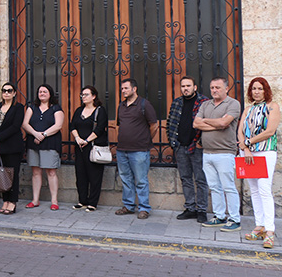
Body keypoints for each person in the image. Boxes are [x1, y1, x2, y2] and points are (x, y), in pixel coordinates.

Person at [194, 77, 241, 232]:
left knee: (228, 187)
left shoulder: (233, 104)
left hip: (225, 153)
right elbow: (196, 123)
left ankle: (234, 219)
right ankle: (219, 216)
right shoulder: (205, 104)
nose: (214, 90)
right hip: (207, 153)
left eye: (218, 87)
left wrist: (206, 121)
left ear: (226, 89)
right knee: (214, 187)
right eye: (212, 87)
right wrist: (216, 123)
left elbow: (224, 123)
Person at [238, 77, 280, 249]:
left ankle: (270, 230)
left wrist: (249, 142)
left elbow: (270, 131)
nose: (256, 91)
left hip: (265, 151)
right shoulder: (248, 109)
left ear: (266, 90)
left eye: (260, 88)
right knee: (253, 190)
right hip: (248, 153)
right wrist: (246, 148)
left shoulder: (273, 107)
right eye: (253, 88)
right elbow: (240, 131)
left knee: (264, 189)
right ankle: (259, 225)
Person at [167, 76, 210, 222]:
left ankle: (202, 210)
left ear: (195, 87)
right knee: (185, 178)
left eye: (188, 86)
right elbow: (170, 123)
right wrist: (173, 142)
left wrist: (201, 141)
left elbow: (207, 124)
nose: (186, 88)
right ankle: (190, 208)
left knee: (201, 179)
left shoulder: (204, 102)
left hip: (197, 146)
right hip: (180, 146)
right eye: (183, 86)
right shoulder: (177, 103)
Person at [114, 78, 158, 219]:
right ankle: (128, 206)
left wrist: (144, 140)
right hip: (122, 150)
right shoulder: (121, 106)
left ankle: (144, 208)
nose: (124, 91)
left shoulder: (144, 104)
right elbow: (119, 126)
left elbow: (154, 125)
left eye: (126, 88)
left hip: (139, 150)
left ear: (134, 89)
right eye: (122, 88)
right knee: (126, 179)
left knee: (141, 180)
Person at [22, 84, 64, 210]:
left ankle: (54, 201)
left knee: (51, 172)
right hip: (33, 143)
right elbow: (25, 123)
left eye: (45, 91)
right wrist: (35, 134)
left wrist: (43, 135)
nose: (42, 94)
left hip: (50, 143)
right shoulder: (32, 107)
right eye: (40, 92)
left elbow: (58, 126)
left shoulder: (56, 108)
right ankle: (35, 200)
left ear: (50, 94)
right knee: (35, 172)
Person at [69, 86, 108, 211]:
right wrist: (78, 139)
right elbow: (72, 125)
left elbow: (100, 128)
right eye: (82, 95)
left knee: (94, 175)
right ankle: (82, 201)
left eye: (86, 94)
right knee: (80, 175)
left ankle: (92, 203)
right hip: (80, 147)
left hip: (93, 147)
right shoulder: (79, 110)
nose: (83, 97)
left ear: (94, 96)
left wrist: (86, 140)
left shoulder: (100, 111)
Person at [0, 82, 25, 215]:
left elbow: (15, 127)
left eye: (9, 91)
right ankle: (5, 200)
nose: (6, 93)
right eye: (4, 91)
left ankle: (12, 202)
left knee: (12, 175)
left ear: (14, 93)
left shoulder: (19, 107)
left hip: (13, 146)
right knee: (3, 175)